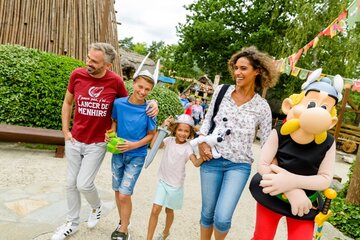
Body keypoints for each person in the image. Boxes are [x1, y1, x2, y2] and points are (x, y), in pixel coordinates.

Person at [52, 42, 158, 240]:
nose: (88, 62)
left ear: (107, 65)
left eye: (94, 61)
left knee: (83, 184)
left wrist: (153, 102)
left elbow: (130, 105)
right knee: (69, 183)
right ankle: (72, 223)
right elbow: (68, 102)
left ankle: (96, 206)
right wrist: (66, 130)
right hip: (74, 138)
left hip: (98, 142)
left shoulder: (116, 82)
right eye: (88, 58)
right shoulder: (77, 75)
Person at [249, 70, 343, 240]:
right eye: (311, 104)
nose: (316, 112)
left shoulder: (328, 142)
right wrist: (291, 190)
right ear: (289, 106)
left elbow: (325, 178)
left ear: (331, 120)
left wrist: (292, 181)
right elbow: (263, 164)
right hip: (272, 193)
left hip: (305, 203)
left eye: (324, 108)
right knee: (262, 236)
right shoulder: (278, 133)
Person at [197, 46, 278, 240]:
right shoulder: (221, 91)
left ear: (257, 71)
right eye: (236, 68)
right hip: (211, 160)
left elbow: (268, 142)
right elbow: (208, 119)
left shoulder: (262, 106)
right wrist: (201, 141)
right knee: (207, 213)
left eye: (243, 68)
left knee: (222, 218)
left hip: (239, 166)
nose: (237, 73)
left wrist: (275, 168)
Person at [108, 68, 159, 240]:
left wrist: (133, 145)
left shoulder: (150, 110)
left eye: (147, 89)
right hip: (118, 152)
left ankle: (123, 230)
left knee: (124, 193)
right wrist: (112, 134)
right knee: (117, 190)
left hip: (136, 155)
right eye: (140, 86)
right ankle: (123, 221)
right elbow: (114, 122)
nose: (142, 92)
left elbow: (151, 135)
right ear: (133, 83)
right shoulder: (119, 104)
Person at [146, 114, 203, 240]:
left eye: (186, 131)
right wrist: (162, 127)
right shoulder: (168, 141)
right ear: (175, 130)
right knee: (155, 209)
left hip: (176, 185)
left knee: (169, 211)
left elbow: (196, 163)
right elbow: (153, 145)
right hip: (163, 181)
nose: (183, 133)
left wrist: (204, 155)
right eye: (180, 130)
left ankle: (166, 232)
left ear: (190, 133)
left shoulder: (188, 147)